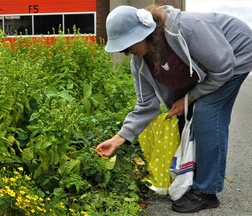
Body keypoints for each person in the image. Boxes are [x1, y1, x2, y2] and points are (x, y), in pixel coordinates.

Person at [96, 3, 252, 214]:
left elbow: (222, 68)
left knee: (206, 112)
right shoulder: (139, 61)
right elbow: (146, 105)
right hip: (211, 69)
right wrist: (119, 138)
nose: (127, 52)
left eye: (127, 45)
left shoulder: (187, 28)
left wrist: (191, 97)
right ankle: (190, 174)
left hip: (235, 53)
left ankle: (206, 191)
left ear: (144, 32)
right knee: (182, 117)